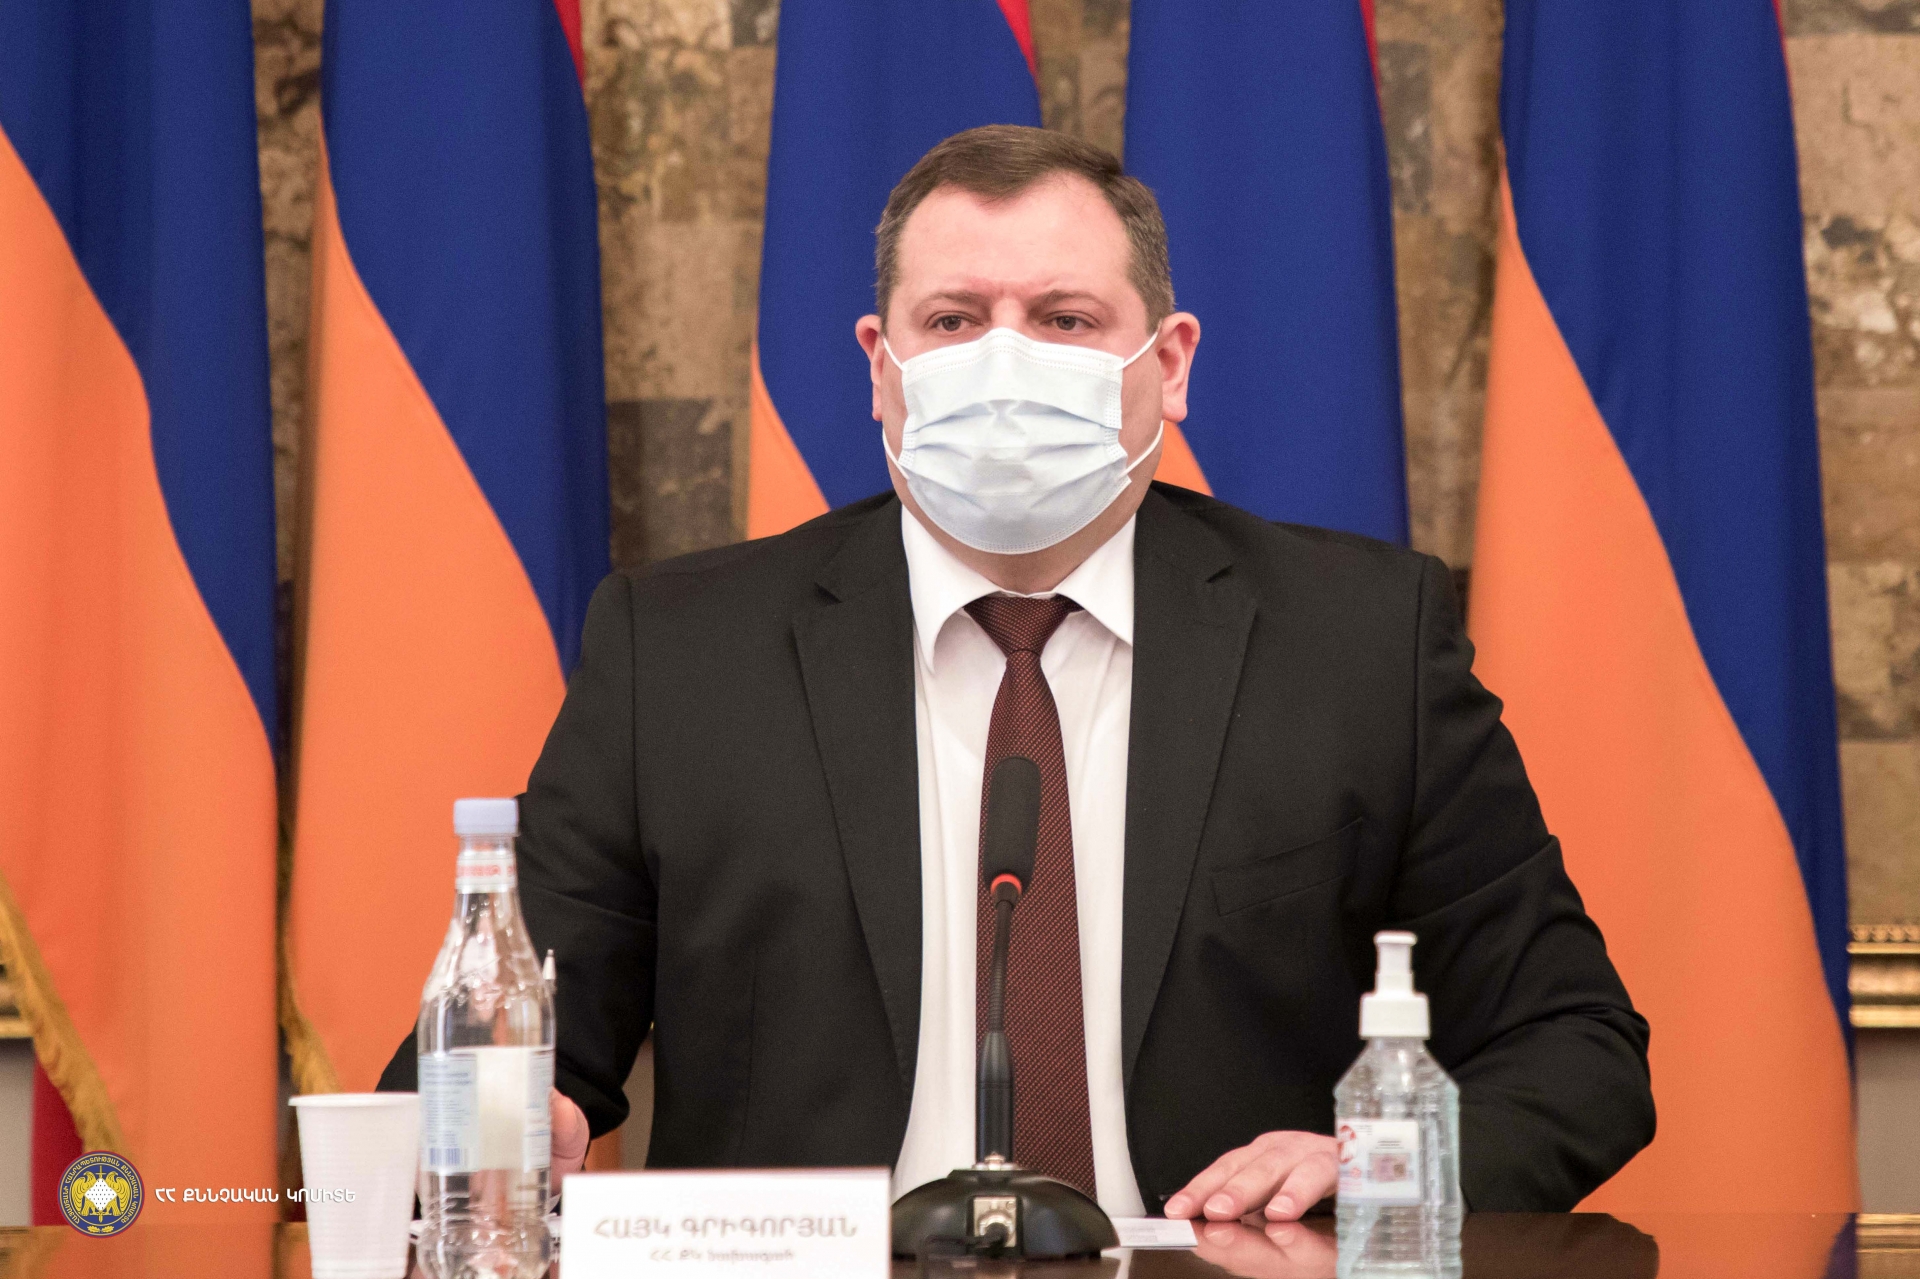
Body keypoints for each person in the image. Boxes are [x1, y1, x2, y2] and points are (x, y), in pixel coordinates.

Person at [381, 125, 1653, 1224]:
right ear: (880, 366)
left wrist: (1376, 1167)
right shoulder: (681, 652)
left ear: (1169, 364)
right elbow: (495, 1057)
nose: (1003, 362)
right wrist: (508, 1120)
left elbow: (1576, 1051)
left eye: (1063, 320)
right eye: (952, 321)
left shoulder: (1358, 641)